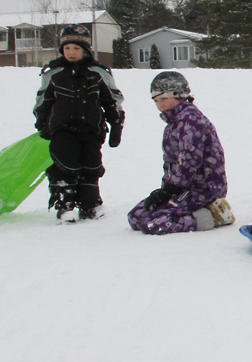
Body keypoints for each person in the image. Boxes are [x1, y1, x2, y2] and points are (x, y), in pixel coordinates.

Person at [33, 24, 124, 221]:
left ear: (86, 50)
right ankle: (64, 205)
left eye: (76, 48)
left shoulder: (98, 73)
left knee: (91, 166)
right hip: (62, 129)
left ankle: (90, 204)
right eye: (67, 48)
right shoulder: (53, 73)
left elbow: (112, 99)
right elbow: (43, 101)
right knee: (65, 165)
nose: (71, 52)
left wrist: (116, 122)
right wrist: (42, 124)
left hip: (91, 129)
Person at [128, 71, 234, 234]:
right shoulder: (173, 123)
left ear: (180, 96)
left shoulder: (191, 120)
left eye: (164, 99)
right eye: (156, 100)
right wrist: (164, 190)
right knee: (136, 216)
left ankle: (211, 216)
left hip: (203, 189)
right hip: (181, 188)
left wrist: (170, 190)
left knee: (152, 223)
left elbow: (190, 158)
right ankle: (193, 211)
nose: (160, 105)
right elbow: (172, 162)